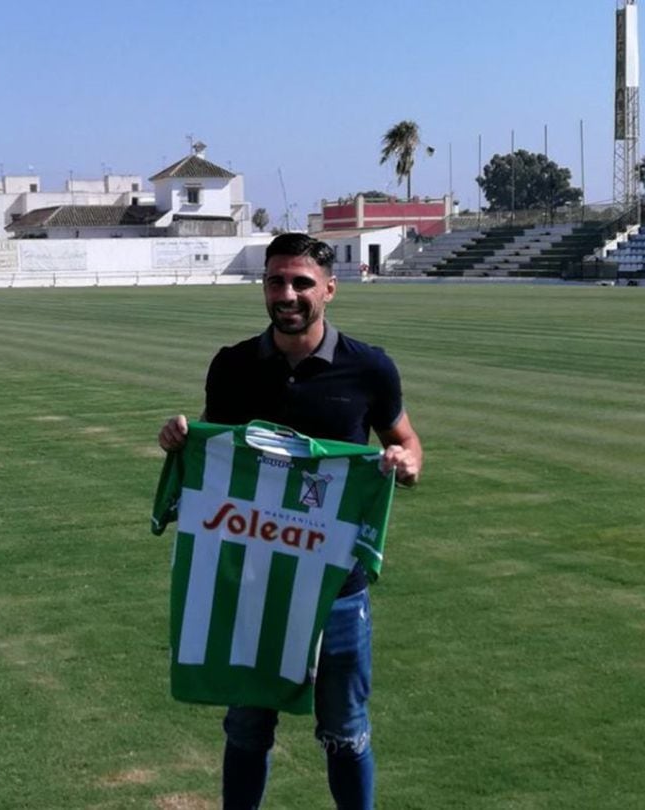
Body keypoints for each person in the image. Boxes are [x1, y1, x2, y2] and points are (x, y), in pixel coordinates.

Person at [157, 232, 422, 809]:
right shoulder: (231, 367)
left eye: (302, 282)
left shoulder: (370, 369)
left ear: (330, 288)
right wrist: (179, 440)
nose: (288, 294)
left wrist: (404, 463)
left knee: (346, 734)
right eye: (276, 280)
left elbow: (408, 444)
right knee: (247, 729)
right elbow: (214, 454)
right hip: (252, 586)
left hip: (337, 592)